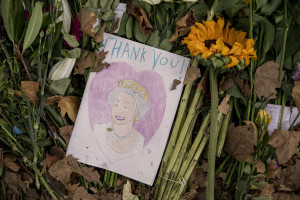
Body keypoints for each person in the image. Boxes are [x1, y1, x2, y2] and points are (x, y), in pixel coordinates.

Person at [90, 79, 149, 164]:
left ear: (137, 111)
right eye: (116, 105)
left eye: (125, 107)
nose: (119, 111)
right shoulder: (99, 130)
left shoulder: (140, 140)